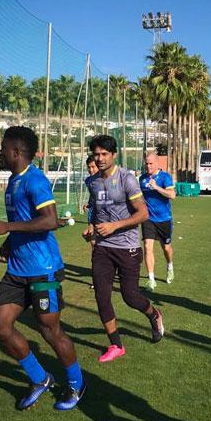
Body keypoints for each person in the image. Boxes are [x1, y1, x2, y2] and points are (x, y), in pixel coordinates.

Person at [0, 126, 85, 411]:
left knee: (49, 330)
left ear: (16, 152)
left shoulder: (35, 180)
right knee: (1, 328)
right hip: (17, 269)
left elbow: (50, 220)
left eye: (3, 147)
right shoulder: (13, 181)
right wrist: (10, 240)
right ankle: (40, 379)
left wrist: (7, 227)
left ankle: (77, 383)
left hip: (43, 268)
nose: (0, 152)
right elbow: (26, 220)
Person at [84, 135, 164, 363]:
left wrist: (115, 226)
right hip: (102, 247)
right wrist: (92, 229)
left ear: (113, 155)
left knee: (130, 297)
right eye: (96, 155)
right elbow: (98, 212)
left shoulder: (127, 179)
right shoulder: (92, 182)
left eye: (104, 154)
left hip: (127, 247)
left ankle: (153, 313)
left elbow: (143, 213)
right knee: (101, 296)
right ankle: (116, 345)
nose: (99, 159)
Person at [139, 153, 176, 291]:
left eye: (151, 163)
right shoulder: (142, 179)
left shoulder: (164, 177)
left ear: (156, 163)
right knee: (147, 247)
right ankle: (151, 279)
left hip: (164, 219)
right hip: (148, 219)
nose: (148, 166)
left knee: (166, 248)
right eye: (146, 164)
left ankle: (170, 265)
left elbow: (172, 195)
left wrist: (157, 187)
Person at [83, 155, 98, 289]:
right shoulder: (88, 180)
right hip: (92, 215)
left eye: (93, 167)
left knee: (106, 248)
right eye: (89, 167)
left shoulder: (104, 179)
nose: (91, 170)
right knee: (94, 247)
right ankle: (96, 279)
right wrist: (88, 205)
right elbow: (93, 198)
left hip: (105, 217)